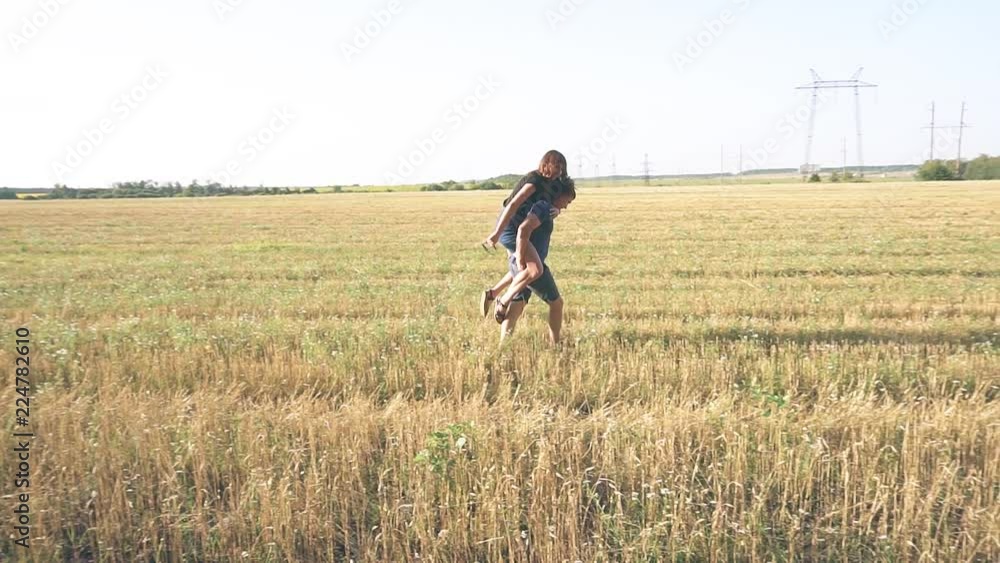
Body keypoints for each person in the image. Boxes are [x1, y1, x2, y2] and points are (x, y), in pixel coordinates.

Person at [480, 150, 568, 316]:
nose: (560, 171)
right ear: (546, 164)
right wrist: (497, 232)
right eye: (557, 166)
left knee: (525, 268)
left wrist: (557, 210)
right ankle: (503, 301)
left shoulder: (552, 183)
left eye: (562, 168)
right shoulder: (534, 181)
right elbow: (512, 205)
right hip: (510, 227)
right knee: (535, 270)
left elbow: (558, 201)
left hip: (522, 228)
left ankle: (492, 294)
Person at [493, 181, 576, 345]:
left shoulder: (543, 206)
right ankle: (555, 344)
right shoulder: (543, 207)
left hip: (523, 260)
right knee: (556, 303)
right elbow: (523, 230)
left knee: (518, 303)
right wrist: (521, 259)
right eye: (567, 201)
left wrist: (514, 257)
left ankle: (504, 345)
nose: (566, 206)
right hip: (529, 264)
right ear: (559, 195)